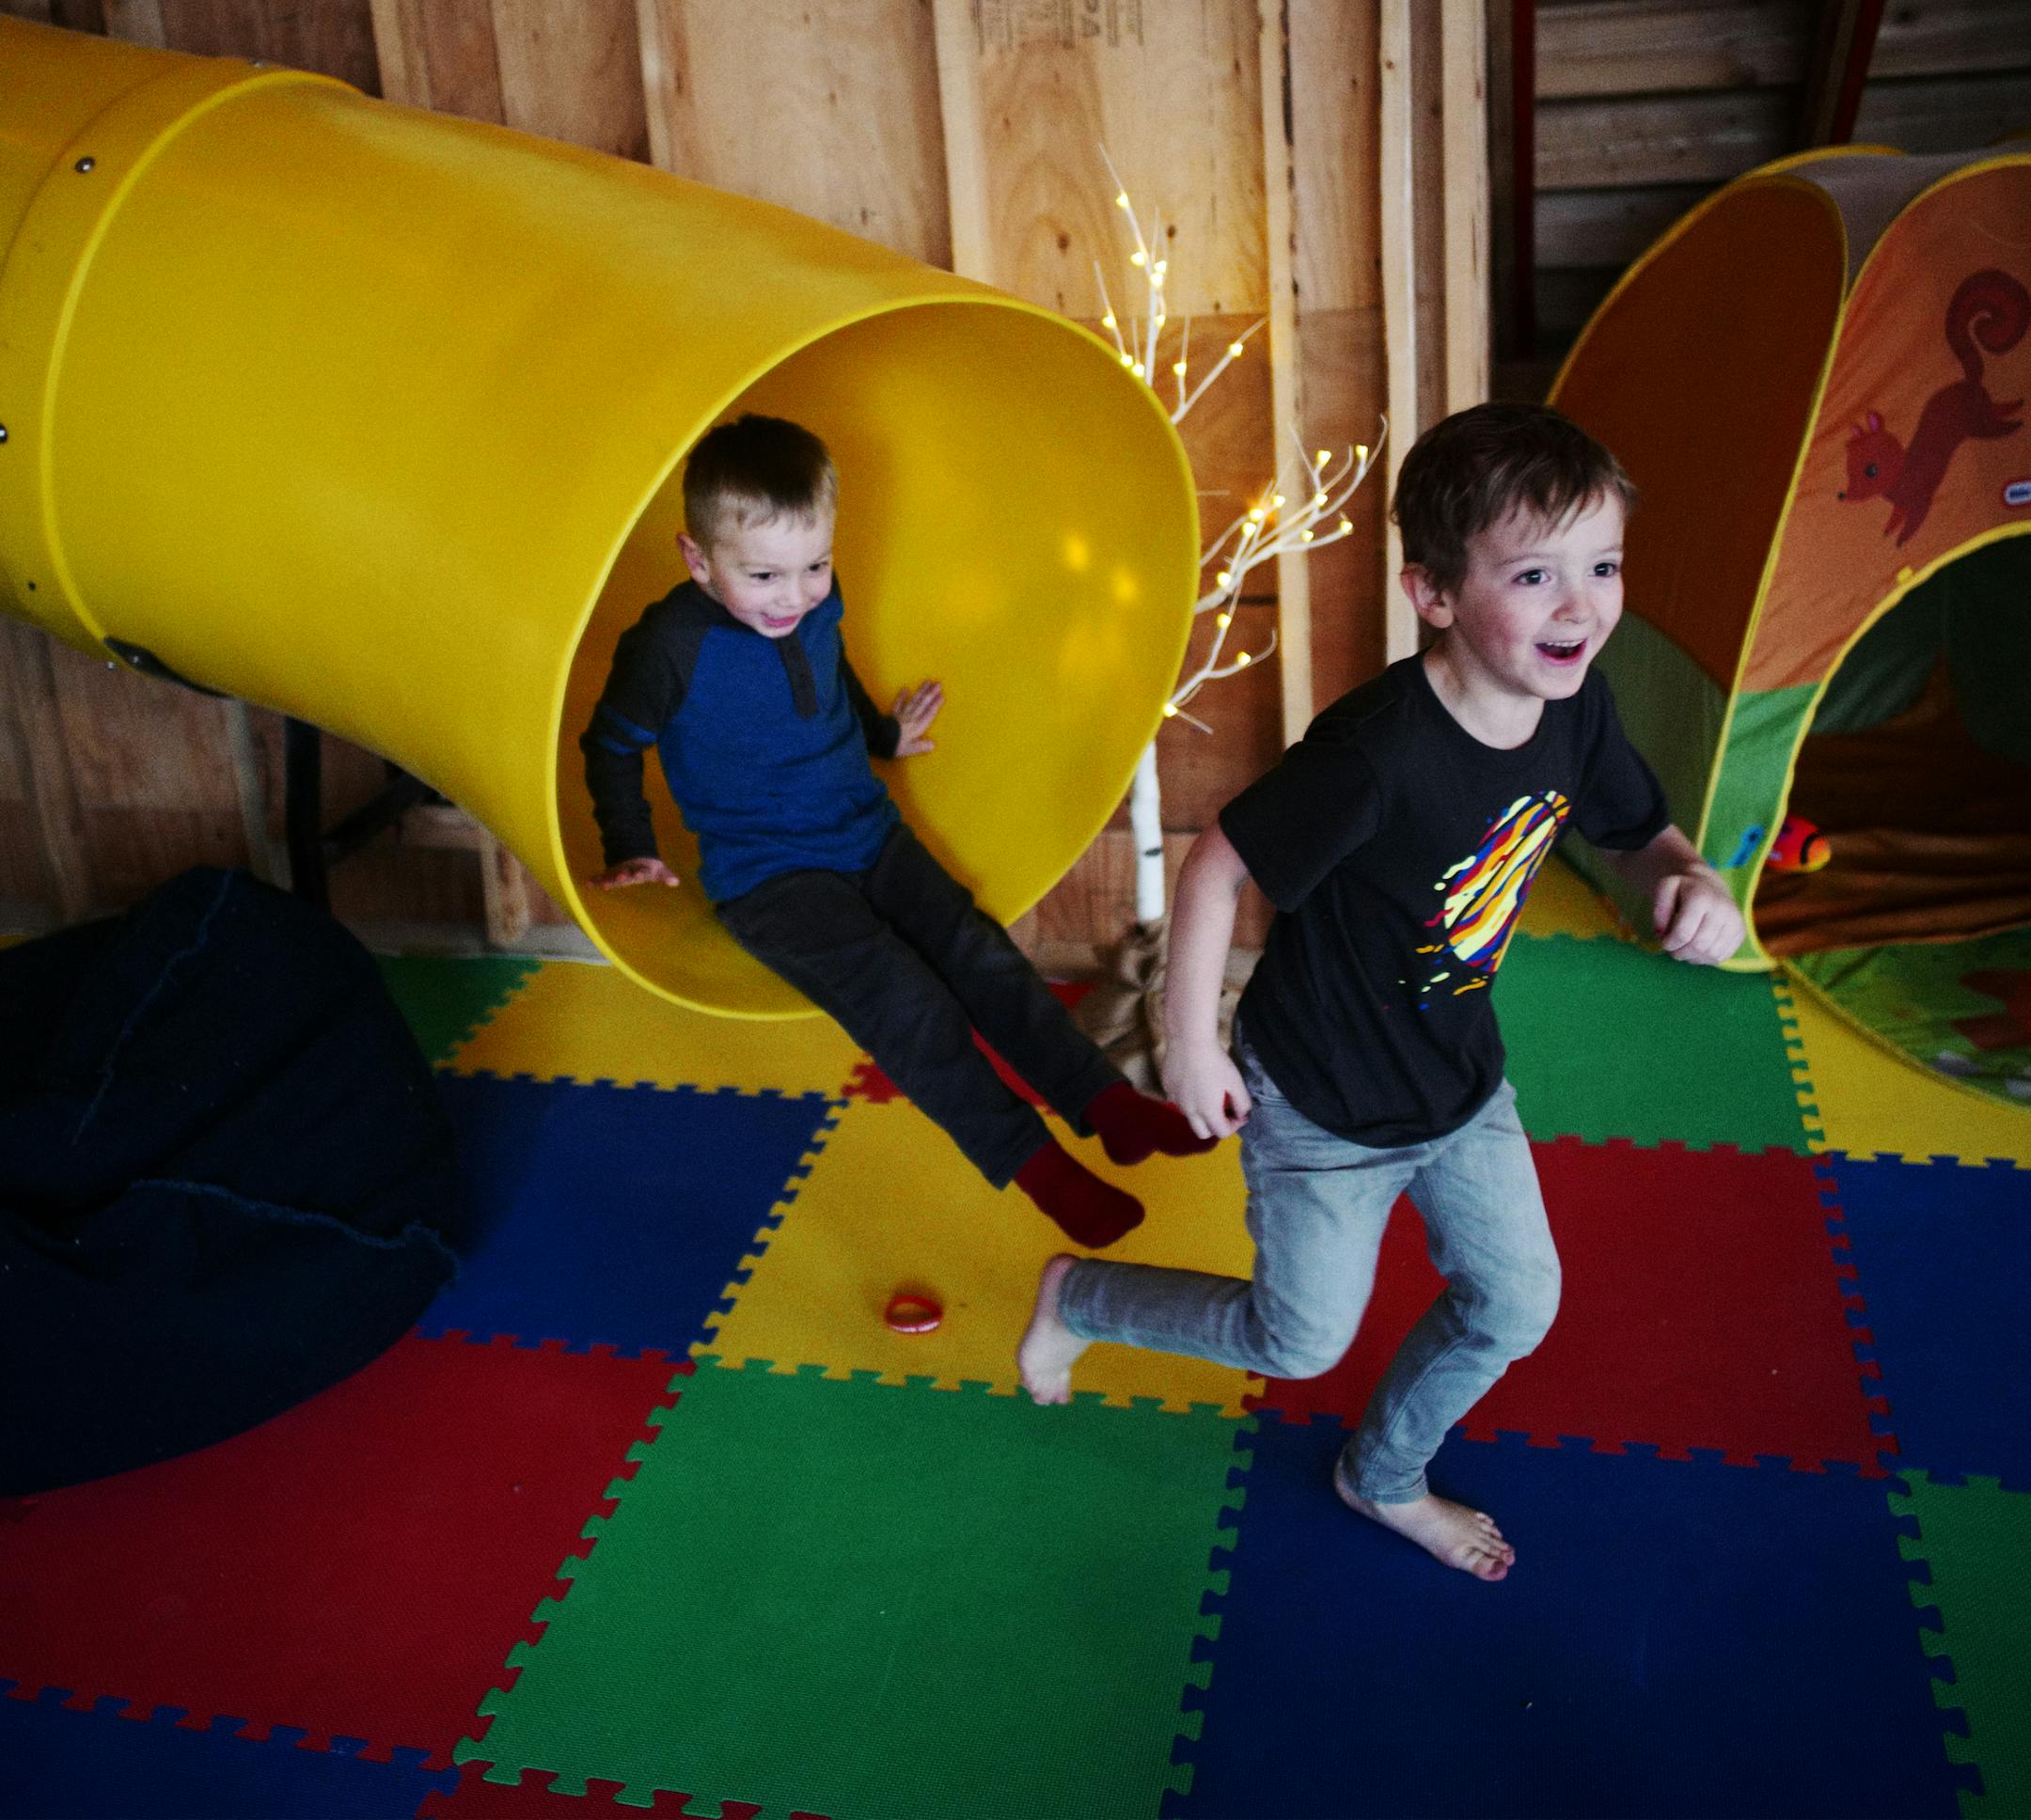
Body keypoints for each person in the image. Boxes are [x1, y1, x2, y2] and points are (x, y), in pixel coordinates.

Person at [1017, 402, 1745, 1581]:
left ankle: (1385, 1473)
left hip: (1458, 1081)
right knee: (1296, 1340)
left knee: (1518, 1303)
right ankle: (1084, 1295)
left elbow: (1639, 828)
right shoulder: (1380, 751)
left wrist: (1688, 873)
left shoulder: (1577, 708)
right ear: (1435, 596)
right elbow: (1221, 867)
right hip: (1317, 1102)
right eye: (1536, 575)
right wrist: (1189, 1041)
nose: (1583, 604)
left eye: (1603, 566)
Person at [580, 414, 1210, 1249]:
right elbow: (611, 742)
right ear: (698, 561)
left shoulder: (809, 602)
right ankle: (1040, 1169)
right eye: (764, 574)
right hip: (767, 878)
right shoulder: (669, 645)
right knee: (905, 1002)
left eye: (815, 565)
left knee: (980, 954)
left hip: (865, 833)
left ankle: (1106, 1104)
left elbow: (824, 669)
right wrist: (631, 843)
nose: (795, 595)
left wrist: (882, 737)